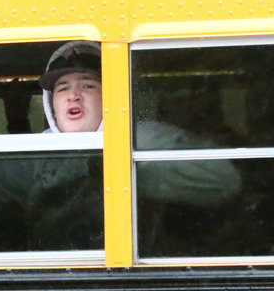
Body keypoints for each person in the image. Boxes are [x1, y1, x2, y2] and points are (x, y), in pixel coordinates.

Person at [30, 41, 241, 250]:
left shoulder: (146, 138)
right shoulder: (35, 151)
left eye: (88, 85)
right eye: (62, 88)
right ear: (51, 106)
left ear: (113, 96)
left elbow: (225, 182)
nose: (72, 96)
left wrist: (128, 167)